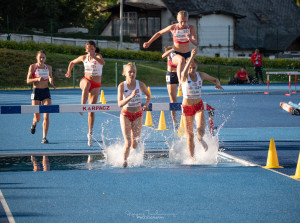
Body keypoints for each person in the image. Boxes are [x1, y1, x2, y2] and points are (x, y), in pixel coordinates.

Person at [181, 49, 223, 159]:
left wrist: (218, 83)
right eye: (190, 67)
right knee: (190, 136)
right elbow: (184, 72)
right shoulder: (185, 76)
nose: (191, 70)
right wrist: (190, 57)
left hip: (198, 105)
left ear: (197, 67)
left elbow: (215, 79)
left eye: (193, 67)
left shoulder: (201, 75)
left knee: (200, 128)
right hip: (187, 107)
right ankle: (192, 158)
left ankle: (200, 139)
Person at [65, 41, 105, 146]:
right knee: (86, 85)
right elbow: (72, 62)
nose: (90, 50)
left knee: (91, 110)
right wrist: (69, 72)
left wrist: (94, 57)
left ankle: (90, 134)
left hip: (96, 84)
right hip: (86, 80)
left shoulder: (98, 56)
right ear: (86, 50)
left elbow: (102, 62)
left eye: (92, 49)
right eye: (88, 49)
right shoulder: (83, 57)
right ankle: (82, 106)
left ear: (95, 49)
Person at [143, 10, 197, 83]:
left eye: (185, 21)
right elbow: (159, 33)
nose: (183, 23)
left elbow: (196, 43)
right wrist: (149, 42)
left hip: (187, 53)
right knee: (181, 60)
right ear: (177, 19)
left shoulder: (191, 28)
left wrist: (190, 39)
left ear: (187, 19)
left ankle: (185, 86)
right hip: (176, 53)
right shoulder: (173, 27)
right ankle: (180, 82)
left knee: (189, 72)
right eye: (181, 21)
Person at [117, 62, 151, 168]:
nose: (132, 74)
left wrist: (146, 104)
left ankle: (129, 156)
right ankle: (124, 161)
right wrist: (130, 97)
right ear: (125, 73)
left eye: (134, 72)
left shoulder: (140, 84)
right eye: (130, 72)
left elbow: (148, 96)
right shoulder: (122, 86)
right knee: (128, 142)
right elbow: (119, 104)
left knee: (135, 143)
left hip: (138, 114)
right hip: (126, 114)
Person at [27, 50, 56, 144]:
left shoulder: (49, 67)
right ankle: (34, 123)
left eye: (43, 57)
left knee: (46, 116)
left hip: (46, 92)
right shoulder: (33, 67)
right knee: (37, 117)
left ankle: (44, 137)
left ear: (45, 58)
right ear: (37, 57)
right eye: (40, 57)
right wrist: (36, 79)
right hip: (36, 92)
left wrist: (52, 82)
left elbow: (50, 76)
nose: (42, 59)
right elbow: (28, 80)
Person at [162, 46, 179, 129]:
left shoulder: (178, 54)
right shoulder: (169, 55)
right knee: (173, 99)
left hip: (180, 74)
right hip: (171, 75)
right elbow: (163, 56)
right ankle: (174, 121)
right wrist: (172, 50)